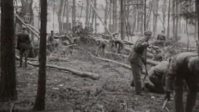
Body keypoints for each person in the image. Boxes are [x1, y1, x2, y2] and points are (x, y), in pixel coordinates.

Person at [128, 30, 152, 95]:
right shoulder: (141, 40)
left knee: (139, 72)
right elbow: (137, 47)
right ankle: (138, 91)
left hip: (138, 58)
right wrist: (144, 45)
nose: (150, 37)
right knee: (137, 74)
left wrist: (144, 61)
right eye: (149, 36)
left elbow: (142, 53)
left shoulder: (145, 41)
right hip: (135, 58)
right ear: (147, 35)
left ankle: (133, 84)